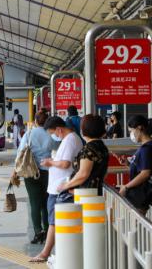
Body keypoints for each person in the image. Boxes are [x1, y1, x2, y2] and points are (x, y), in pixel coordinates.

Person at [30, 116, 83, 263]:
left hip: (61, 187)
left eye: (54, 133)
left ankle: (45, 253)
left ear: (59, 129)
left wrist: (50, 162)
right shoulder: (70, 139)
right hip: (59, 187)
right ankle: (52, 253)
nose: (54, 136)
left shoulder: (70, 139)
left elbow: (65, 164)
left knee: (54, 222)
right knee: (55, 222)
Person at [12, 111, 58, 244]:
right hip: (49, 172)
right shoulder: (53, 135)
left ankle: (38, 232)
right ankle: (48, 230)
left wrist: (15, 171)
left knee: (34, 202)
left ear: (36, 121)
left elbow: (21, 153)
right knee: (46, 202)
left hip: (31, 172)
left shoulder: (29, 134)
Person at [114, 115, 152, 214]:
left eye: (131, 131)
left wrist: (126, 187)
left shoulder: (147, 148)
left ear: (140, 128)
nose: (131, 134)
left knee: (136, 225)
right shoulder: (146, 146)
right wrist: (127, 163)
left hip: (140, 194)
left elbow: (145, 173)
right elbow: (142, 168)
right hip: (140, 193)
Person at [57, 114, 109, 195]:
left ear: (84, 130)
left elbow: (83, 174)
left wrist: (66, 185)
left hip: (86, 195)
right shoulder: (101, 146)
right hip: (95, 193)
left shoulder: (89, 149)